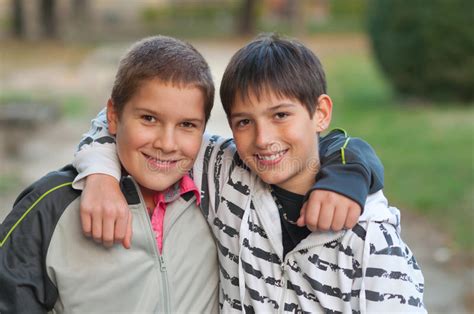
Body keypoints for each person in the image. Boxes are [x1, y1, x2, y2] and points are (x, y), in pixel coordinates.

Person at [70, 33, 425, 312]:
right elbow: (115, 122)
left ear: (321, 113)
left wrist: (353, 168)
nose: (263, 139)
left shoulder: (370, 240)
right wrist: (101, 178)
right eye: (244, 122)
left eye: (280, 115)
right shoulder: (224, 176)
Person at [0, 35, 220, 313]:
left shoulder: (217, 198)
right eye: (149, 119)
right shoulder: (52, 206)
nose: (166, 143)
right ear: (113, 117)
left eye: (187, 124)